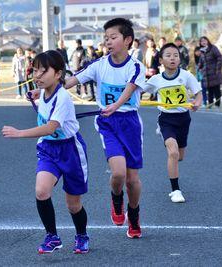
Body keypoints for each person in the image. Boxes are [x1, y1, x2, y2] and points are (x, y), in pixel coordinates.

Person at [51, 18, 146, 238]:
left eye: (113, 37)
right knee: (119, 173)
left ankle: (134, 215)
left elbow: (130, 89)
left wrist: (116, 105)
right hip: (107, 123)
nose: (108, 42)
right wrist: (48, 89)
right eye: (106, 39)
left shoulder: (136, 66)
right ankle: (116, 198)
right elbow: (72, 81)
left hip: (130, 123)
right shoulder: (99, 64)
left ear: (127, 40)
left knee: (133, 180)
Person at [2, 50, 90, 254]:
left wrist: (19, 133)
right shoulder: (43, 92)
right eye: (35, 71)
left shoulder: (63, 98)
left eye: (43, 71)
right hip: (48, 149)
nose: (37, 76)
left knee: (73, 204)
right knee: (41, 191)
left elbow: (51, 127)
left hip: (71, 150)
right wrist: (36, 94)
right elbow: (43, 103)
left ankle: (82, 235)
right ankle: (52, 237)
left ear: (58, 74)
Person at [143, 43, 202, 203]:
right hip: (166, 119)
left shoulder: (186, 76)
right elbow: (138, 90)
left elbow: (198, 93)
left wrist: (197, 102)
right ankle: (175, 190)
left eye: (175, 55)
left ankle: (173, 154)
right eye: (168, 55)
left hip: (183, 119)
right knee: (173, 153)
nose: (172, 58)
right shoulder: (155, 80)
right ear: (161, 60)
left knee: (180, 156)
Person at [198, 36, 222, 108]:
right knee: (209, 90)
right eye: (201, 41)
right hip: (206, 75)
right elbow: (201, 62)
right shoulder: (202, 51)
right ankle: (210, 104)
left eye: (204, 40)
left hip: (214, 72)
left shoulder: (213, 48)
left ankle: (217, 104)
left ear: (207, 40)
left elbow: (219, 58)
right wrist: (200, 68)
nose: (203, 42)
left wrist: (217, 69)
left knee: (216, 89)